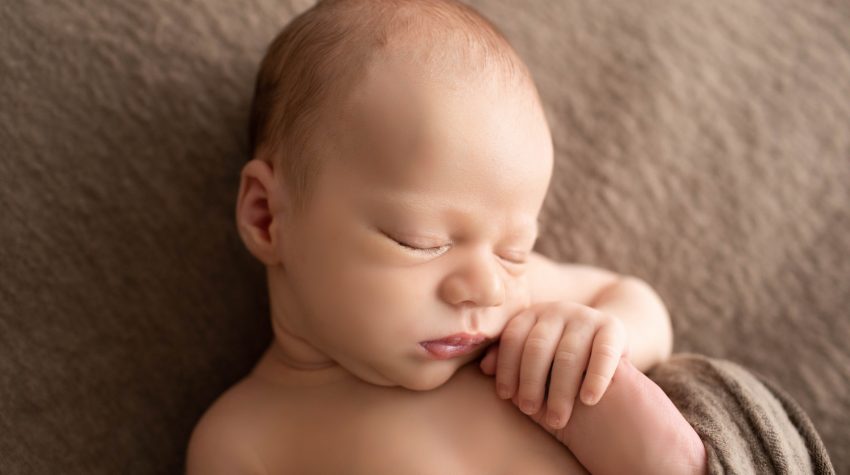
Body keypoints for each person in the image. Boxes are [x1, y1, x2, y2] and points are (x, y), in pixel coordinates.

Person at [187, 0, 707, 473]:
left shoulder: (515, 323)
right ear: (266, 218)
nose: (486, 286)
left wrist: (597, 342)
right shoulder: (245, 440)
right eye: (420, 241)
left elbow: (639, 302)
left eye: (514, 250)